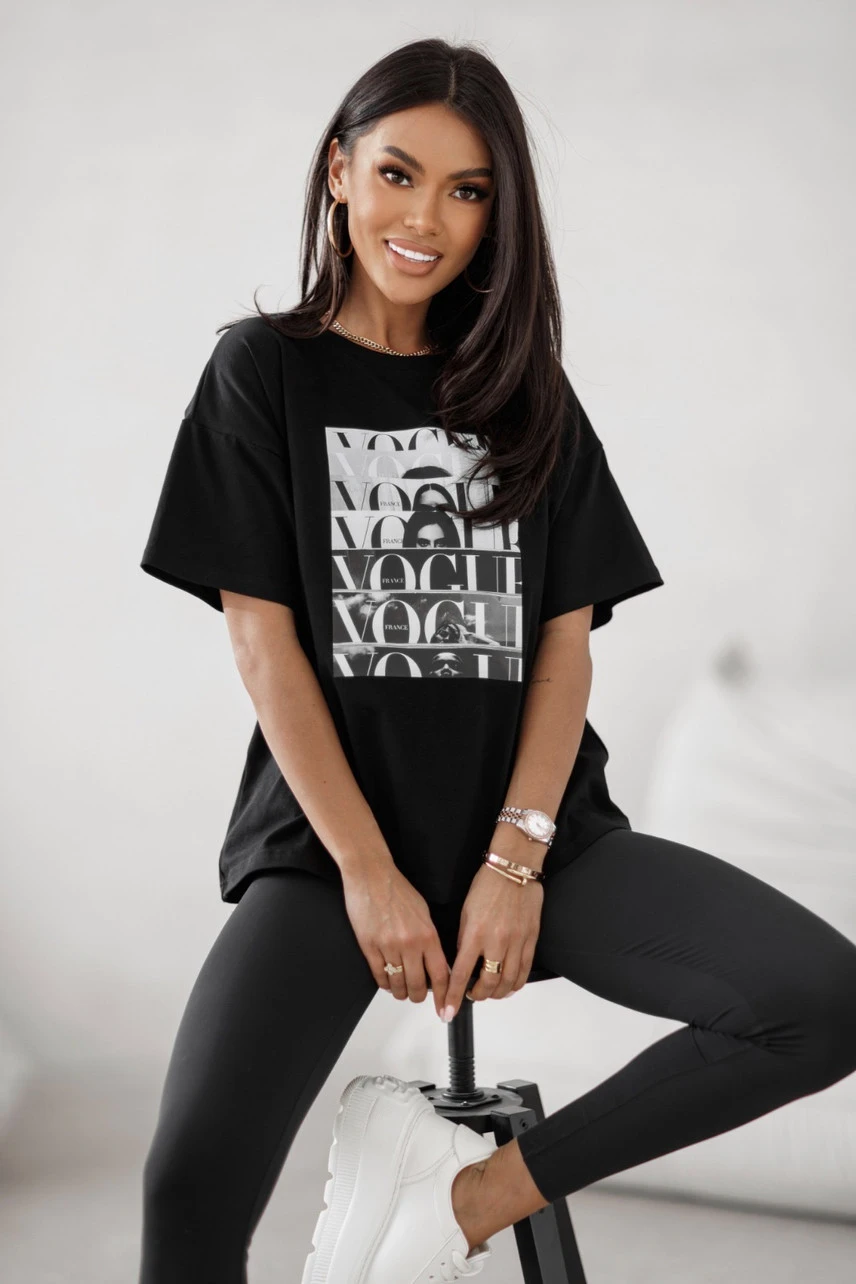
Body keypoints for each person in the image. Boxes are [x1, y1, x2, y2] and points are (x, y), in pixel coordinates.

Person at [137, 36, 856, 1284]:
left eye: (466, 191)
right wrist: (369, 874)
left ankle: (463, 1197)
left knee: (821, 998)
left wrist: (516, 861)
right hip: (334, 850)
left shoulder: (525, 394)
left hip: (537, 843)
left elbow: (562, 646)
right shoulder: (263, 372)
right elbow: (262, 641)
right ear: (339, 172)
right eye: (398, 174)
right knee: (188, 1183)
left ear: (496, 213)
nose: (425, 219)